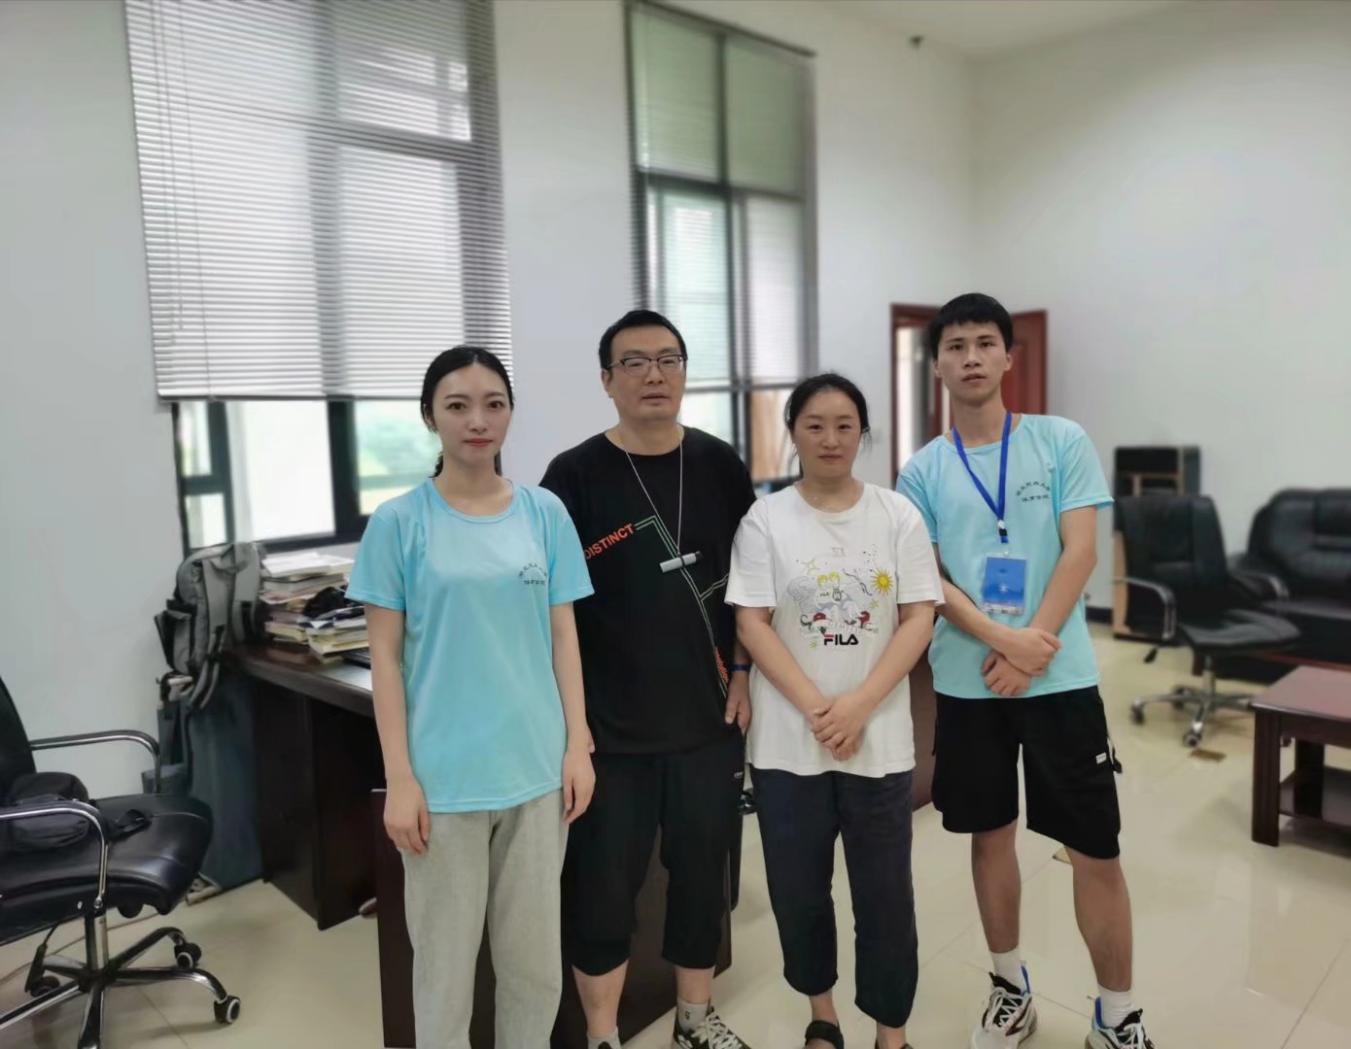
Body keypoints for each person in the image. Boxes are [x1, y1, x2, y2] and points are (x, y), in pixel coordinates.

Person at [898, 293, 1155, 1049]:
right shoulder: (922, 470)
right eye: (955, 346)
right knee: (989, 835)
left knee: (1095, 848)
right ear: (937, 365)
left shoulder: (1059, 440)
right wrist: (1001, 641)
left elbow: (1081, 550)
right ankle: (1009, 987)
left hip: (1059, 678)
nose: (971, 357)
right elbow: (929, 577)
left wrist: (1030, 643)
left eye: (985, 343)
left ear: (1008, 357)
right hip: (968, 680)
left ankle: (1117, 1015)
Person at [348, 346, 596, 1049]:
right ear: (430, 416)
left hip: (536, 773)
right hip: (443, 783)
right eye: (457, 405)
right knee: (444, 971)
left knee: (533, 968)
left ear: (510, 413)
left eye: (493, 404)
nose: (477, 420)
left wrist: (576, 744)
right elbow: (385, 659)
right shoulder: (399, 522)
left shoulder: (545, 513)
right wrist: (400, 778)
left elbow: (563, 636)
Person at [540, 309, 756, 1049]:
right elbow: (554, 612)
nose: (653, 374)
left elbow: (749, 586)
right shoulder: (571, 477)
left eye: (668, 359)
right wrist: (573, 728)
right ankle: (603, 1034)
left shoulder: (721, 464)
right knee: (601, 893)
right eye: (634, 362)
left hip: (708, 722)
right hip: (610, 734)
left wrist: (744, 672)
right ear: (607, 380)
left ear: (685, 373)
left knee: (701, 879)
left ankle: (694, 1017)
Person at [728, 374, 942, 1049]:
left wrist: (859, 706)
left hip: (877, 742)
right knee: (799, 891)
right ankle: (822, 1013)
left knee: (885, 896)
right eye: (814, 425)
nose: (829, 438)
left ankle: (891, 1031)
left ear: (862, 433)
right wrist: (821, 709)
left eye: (844, 424)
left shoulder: (896, 515)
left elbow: (919, 616)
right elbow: (752, 621)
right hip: (788, 744)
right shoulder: (765, 519)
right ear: (793, 432)